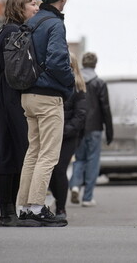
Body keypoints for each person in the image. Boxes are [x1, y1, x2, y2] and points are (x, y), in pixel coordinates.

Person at [17, 0, 74, 227]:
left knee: (33, 153)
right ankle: (38, 207)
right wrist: (70, 82)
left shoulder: (31, 22)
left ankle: (24, 208)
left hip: (27, 95)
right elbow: (58, 61)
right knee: (49, 156)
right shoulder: (54, 24)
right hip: (48, 96)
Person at [0, 0, 39, 226]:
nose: (36, 7)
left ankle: (8, 212)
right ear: (20, 7)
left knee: (8, 151)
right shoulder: (14, 31)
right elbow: (17, 70)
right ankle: (8, 213)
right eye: (32, 4)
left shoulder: (6, 30)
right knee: (15, 151)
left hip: (5, 95)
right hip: (12, 95)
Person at [69, 52, 113, 207]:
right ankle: (87, 197)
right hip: (95, 128)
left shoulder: (76, 81)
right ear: (95, 64)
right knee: (92, 161)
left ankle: (74, 185)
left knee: (79, 159)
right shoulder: (99, 83)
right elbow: (105, 108)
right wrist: (109, 131)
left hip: (78, 127)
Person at [49, 52, 86, 219]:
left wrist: (63, 131)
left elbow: (80, 115)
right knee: (49, 169)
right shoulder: (53, 84)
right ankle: (55, 202)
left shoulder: (78, 88)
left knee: (59, 169)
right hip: (52, 133)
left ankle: (61, 208)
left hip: (68, 137)